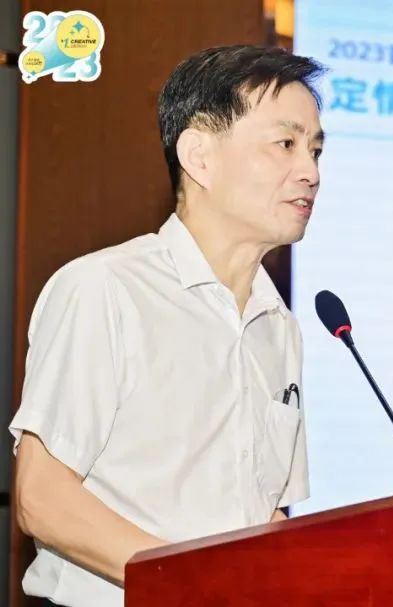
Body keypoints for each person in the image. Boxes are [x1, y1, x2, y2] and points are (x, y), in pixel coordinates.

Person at [9, 45, 326, 607]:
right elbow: (44, 498)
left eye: (316, 150)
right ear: (199, 156)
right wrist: (194, 584)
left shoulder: (279, 326)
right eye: (286, 144)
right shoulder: (105, 289)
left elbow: (264, 511)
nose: (311, 172)